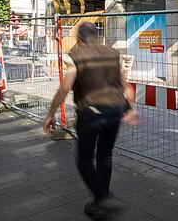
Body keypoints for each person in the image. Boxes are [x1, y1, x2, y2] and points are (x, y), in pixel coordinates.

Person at [43, 22, 138, 219]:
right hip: (115, 110)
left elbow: (65, 87)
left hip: (91, 112)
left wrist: (51, 113)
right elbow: (123, 83)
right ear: (98, 36)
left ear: (79, 38)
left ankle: (103, 198)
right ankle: (100, 202)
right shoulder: (113, 53)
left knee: (85, 158)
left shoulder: (76, 56)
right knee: (105, 155)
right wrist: (130, 108)